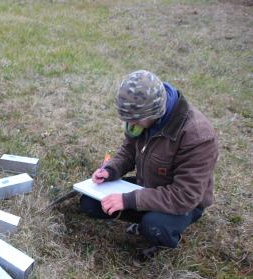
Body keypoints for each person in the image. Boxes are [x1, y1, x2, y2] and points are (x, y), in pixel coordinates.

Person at [80, 70, 218, 258]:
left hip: (183, 202)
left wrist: (128, 200)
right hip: (147, 184)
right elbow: (128, 150)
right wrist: (111, 170)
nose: (131, 124)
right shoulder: (141, 116)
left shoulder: (197, 136)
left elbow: (186, 196)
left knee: (154, 226)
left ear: (156, 113)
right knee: (90, 202)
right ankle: (142, 216)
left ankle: (166, 234)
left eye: (135, 120)